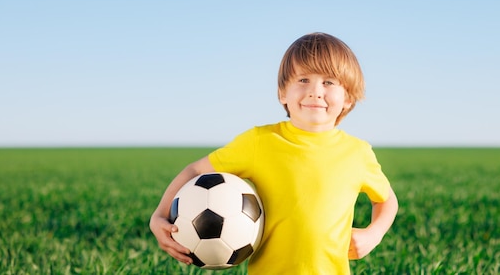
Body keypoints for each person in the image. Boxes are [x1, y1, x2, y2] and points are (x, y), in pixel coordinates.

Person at [150, 32, 399, 274]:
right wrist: (159, 216)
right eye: (303, 80)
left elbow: (386, 200)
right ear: (283, 93)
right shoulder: (260, 142)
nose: (315, 91)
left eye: (329, 82)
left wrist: (374, 234)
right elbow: (195, 171)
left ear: (348, 98)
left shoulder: (357, 153)